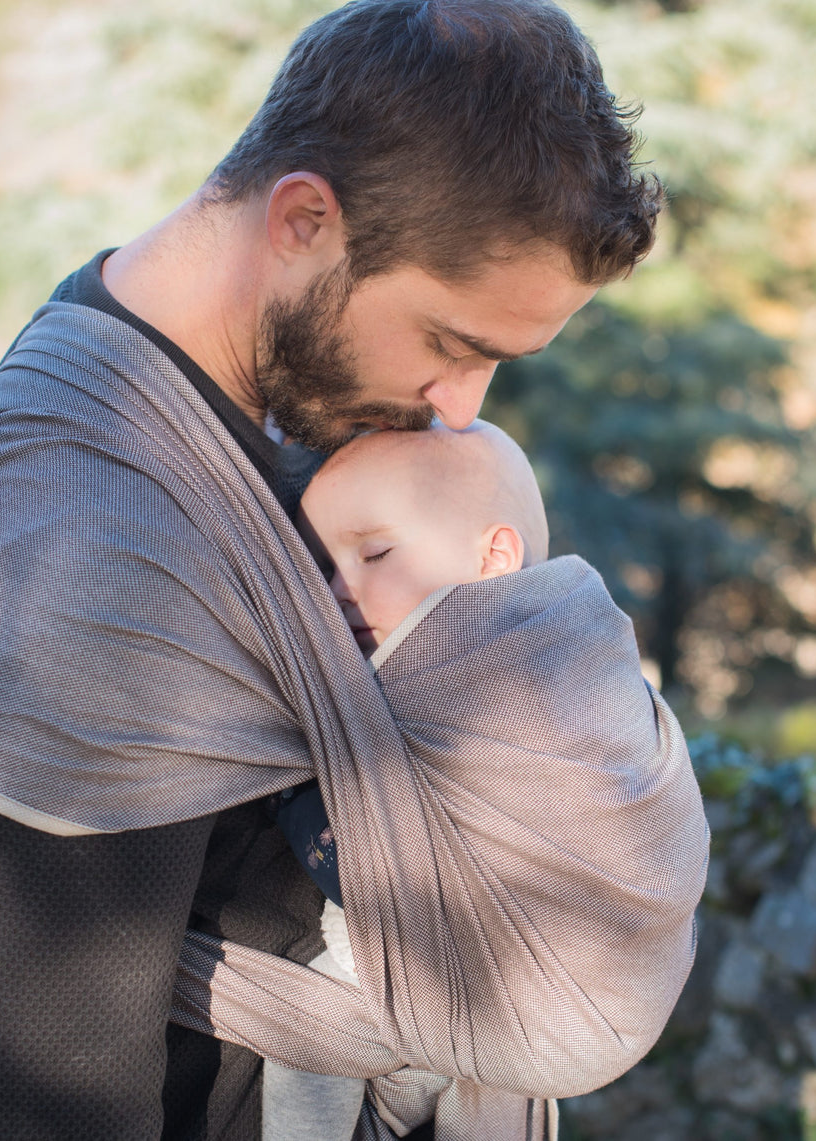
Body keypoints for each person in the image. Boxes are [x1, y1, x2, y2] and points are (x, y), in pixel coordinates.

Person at [0, 1, 666, 1137]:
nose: (463, 412)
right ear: (304, 219)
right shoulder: (88, 531)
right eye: (452, 345)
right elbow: (44, 1091)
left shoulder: (297, 401)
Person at [262, 420, 563, 1140]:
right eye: (325, 566)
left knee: (311, 1047)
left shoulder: (539, 690)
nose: (336, 590)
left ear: (494, 556)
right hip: (395, 990)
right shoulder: (370, 686)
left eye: (374, 553)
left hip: (490, 988)